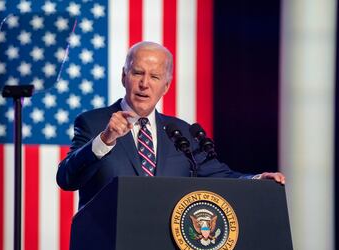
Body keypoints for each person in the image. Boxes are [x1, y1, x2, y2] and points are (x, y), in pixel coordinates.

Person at [56, 41, 285, 209]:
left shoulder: (180, 132)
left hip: (164, 249)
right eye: (137, 73)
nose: (144, 84)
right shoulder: (93, 122)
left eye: (154, 77)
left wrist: (256, 181)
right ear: (124, 76)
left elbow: (219, 176)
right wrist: (105, 139)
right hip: (107, 249)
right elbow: (67, 178)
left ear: (166, 86)